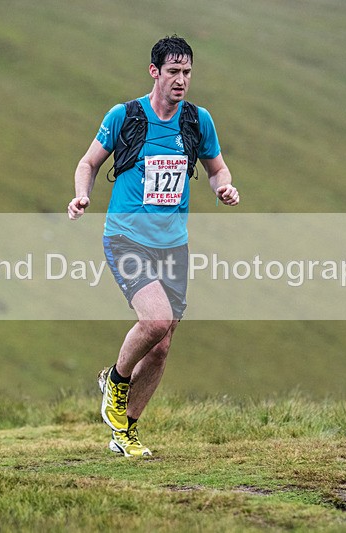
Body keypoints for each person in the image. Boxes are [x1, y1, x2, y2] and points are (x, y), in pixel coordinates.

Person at [67, 35, 239, 457]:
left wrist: (224, 187)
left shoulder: (199, 122)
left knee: (162, 347)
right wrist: (81, 195)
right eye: (174, 72)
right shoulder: (124, 116)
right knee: (156, 322)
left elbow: (217, 169)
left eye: (187, 72)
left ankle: (125, 431)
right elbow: (89, 162)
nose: (181, 80)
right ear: (155, 72)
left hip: (173, 245)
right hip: (126, 237)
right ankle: (116, 381)